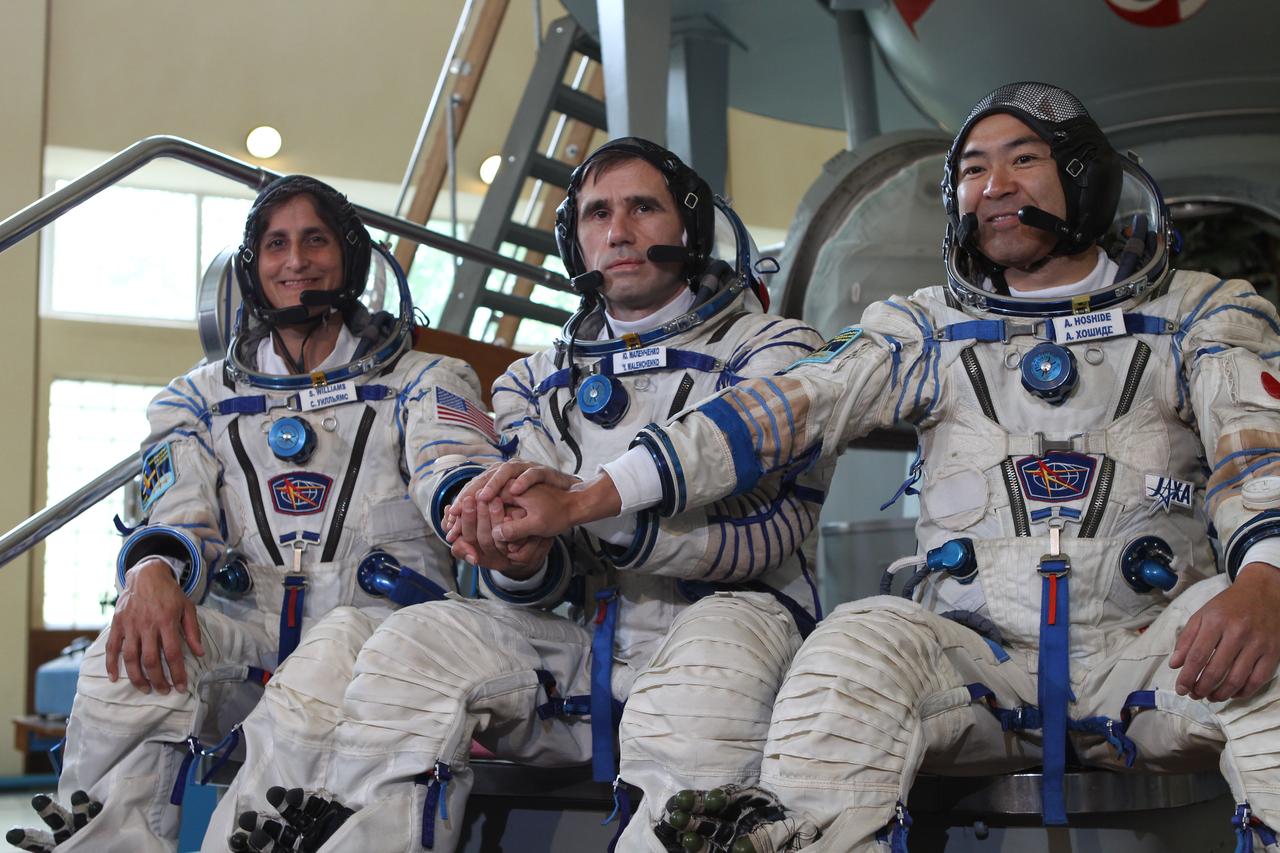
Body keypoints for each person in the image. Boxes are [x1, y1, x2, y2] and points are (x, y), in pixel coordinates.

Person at [479, 82, 1280, 852]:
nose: (994, 185)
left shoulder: (1201, 313)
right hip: (979, 657)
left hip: (1160, 644)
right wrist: (594, 495)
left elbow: (1260, 451)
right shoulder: (924, 328)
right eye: (971, 170)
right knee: (850, 648)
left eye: (1022, 160)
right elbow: (778, 412)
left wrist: (1266, 577)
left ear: (1087, 179)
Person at [219, 138, 830, 853]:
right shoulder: (530, 382)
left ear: (689, 226)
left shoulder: (777, 349)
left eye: (643, 208)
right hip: (585, 642)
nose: (619, 231)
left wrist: (584, 512)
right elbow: (538, 577)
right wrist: (516, 550)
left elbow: (771, 527)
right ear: (575, 239)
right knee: (412, 642)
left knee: (690, 713)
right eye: (597, 213)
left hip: (732, 627)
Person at [7, 175, 497, 853]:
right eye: (276, 244)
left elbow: (455, 470)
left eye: (315, 239)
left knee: (329, 656)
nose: (295, 259)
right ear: (252, 266)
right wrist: (151, 567)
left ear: (350, 258)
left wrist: (477, 509)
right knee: (124, 659)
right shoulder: (197, 399)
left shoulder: (426, 378)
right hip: (252, 638)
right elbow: (179, 507)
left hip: (379, 641)